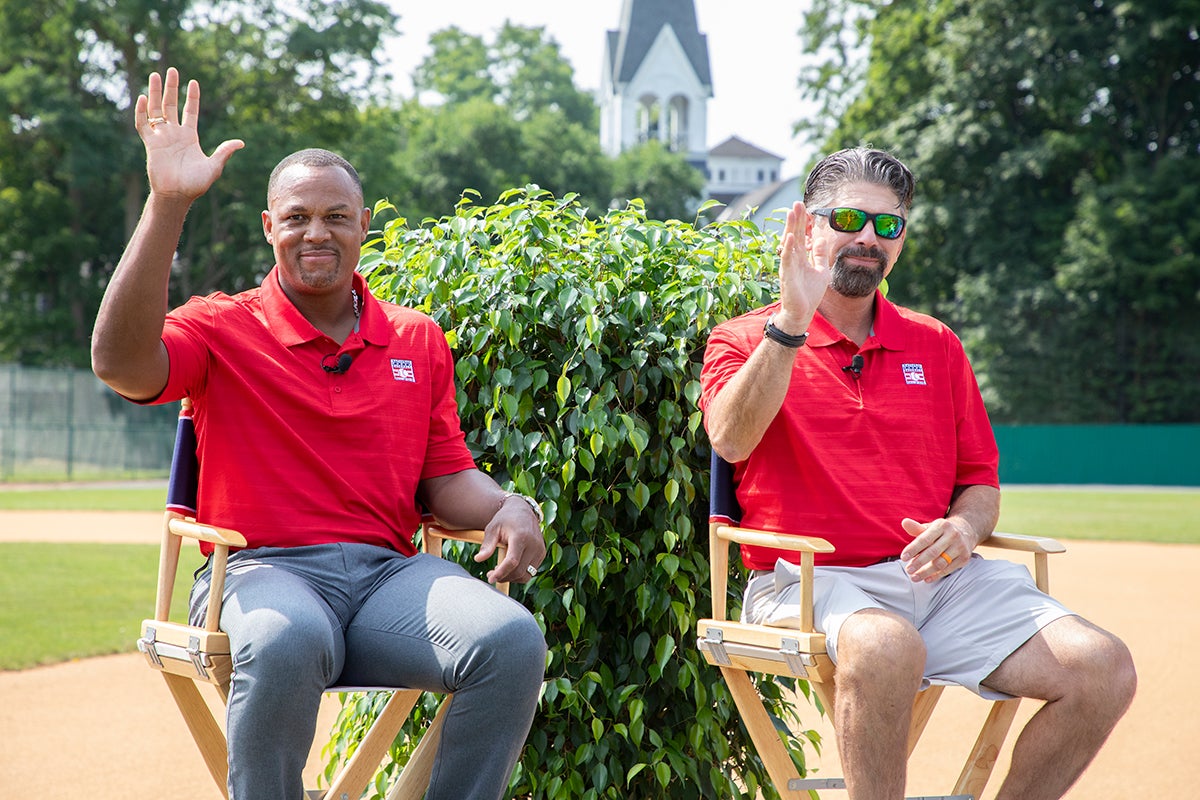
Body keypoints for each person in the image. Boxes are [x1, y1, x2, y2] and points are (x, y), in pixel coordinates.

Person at [92, 67, 548, 800]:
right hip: (259, 573)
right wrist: (167, 202)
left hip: (389, 580)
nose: (317, 231)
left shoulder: (416, 338)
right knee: (286, 639)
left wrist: (508, 506)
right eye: (297, 216)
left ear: (364, 225)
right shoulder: (222, 326)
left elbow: (447, 480)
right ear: (269, 227)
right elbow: (118, 363)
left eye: (337, 216)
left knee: (510, 641)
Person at [699, 146, 1135, 800]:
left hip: (940, 584)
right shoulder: (744, 338)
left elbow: (980, 484)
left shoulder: (937, 345)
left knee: (1103, 668)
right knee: (884, 646)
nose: (868, 237)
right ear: (808, 227)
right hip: (807, 585)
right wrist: (790, 324)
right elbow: (730, 441)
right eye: (849, 218)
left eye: (889, 224)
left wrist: (963, 529)